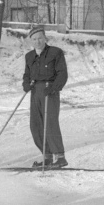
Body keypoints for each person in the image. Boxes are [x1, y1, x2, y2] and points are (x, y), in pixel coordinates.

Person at [22, 25, 68, 167]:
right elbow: (27, 74)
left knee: (50, 123)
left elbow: (62, 73)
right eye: (34, 39)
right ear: (31, 41)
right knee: (36, 125)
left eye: (40, 38)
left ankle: (60, 157)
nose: (37, 42)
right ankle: (47, 156)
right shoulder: (29, 56)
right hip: (35, 91)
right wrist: (26, 84)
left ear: (45, 38)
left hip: (50, 91)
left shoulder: (56, 53)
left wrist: (54, 88)